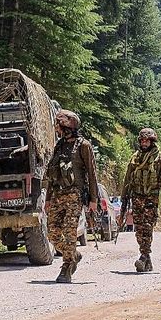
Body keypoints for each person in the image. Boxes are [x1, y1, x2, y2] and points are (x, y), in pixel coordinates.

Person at [45, 110, 99, 283]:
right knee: (52, 233)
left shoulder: (83, 145)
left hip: (74, 195)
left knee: (69, 234)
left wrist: (93, 199)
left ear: (67, 126)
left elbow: (92, 173)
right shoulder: (59, 146)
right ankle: (73, 254)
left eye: (59, 126)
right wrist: (47, 198)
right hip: (57, 195)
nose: (57, 129)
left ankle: (67, 267)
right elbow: (52, 175)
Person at [120, 128, 161, 273]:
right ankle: (146, 258)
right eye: (142, 140)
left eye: (146, 140)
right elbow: (127, 179)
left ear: (152, 141)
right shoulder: (135, 158)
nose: (144, 143)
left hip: (151, 198)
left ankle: (143, 257)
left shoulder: (160, 158)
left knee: (147, 227)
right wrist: (124, 198)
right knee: (139, 228)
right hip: (136, 197)